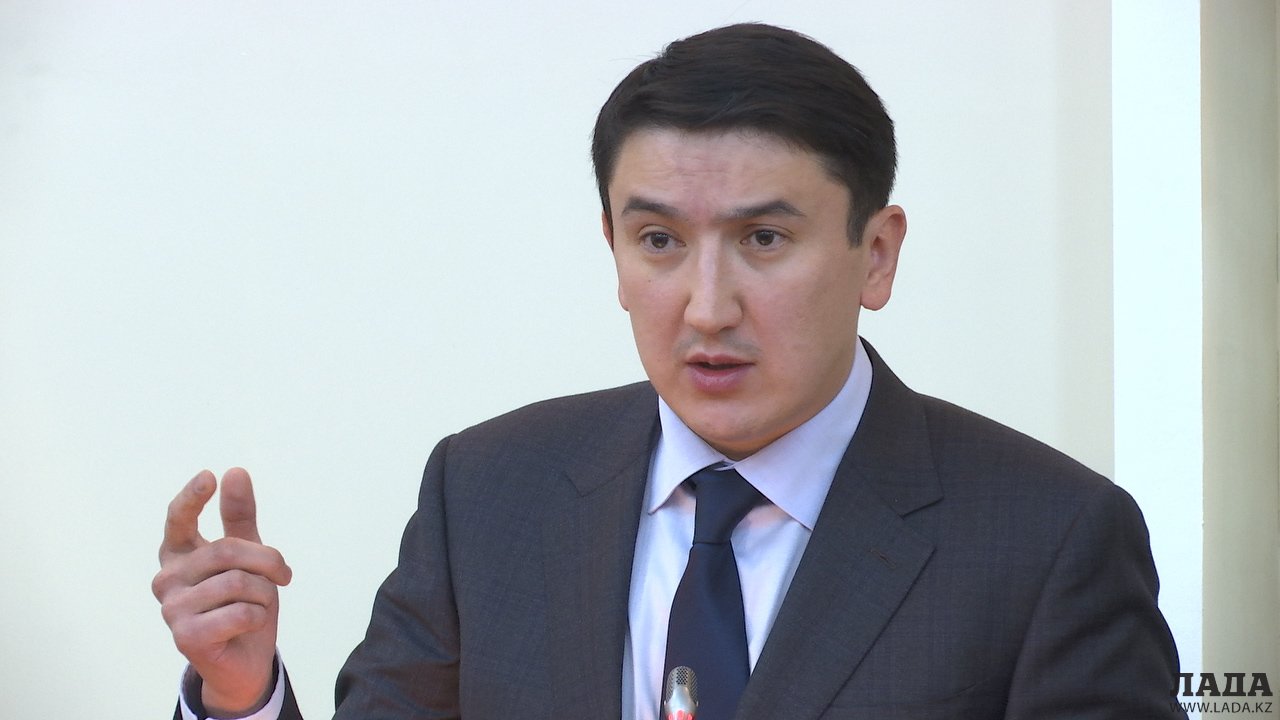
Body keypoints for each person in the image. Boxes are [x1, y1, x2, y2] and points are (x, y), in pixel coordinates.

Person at [153, 23, 1187, 720]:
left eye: (763, 240)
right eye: (658, 242)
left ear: (875, 255)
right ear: (611, 247)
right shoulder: (488, 492)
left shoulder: (1050, 539)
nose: (705, 306)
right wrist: (242, 696)